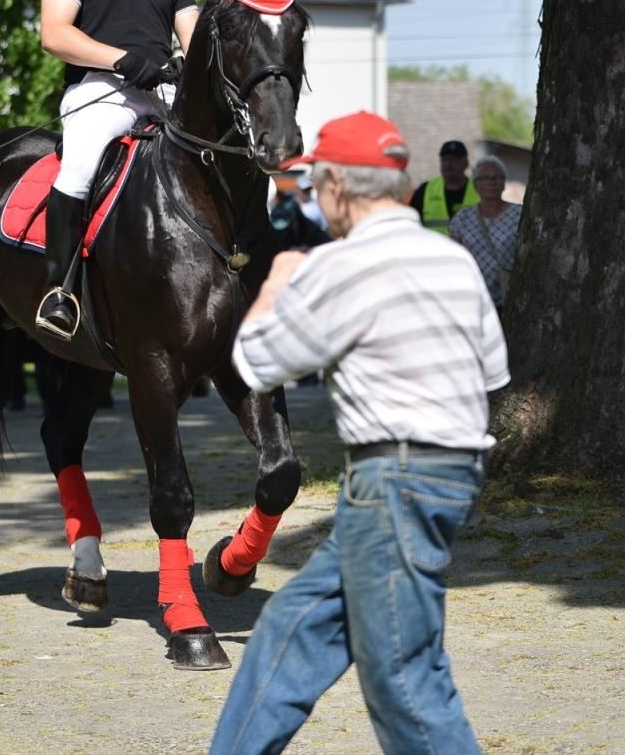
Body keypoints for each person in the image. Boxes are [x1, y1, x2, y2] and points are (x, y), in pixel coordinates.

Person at [211, 111, 507, 755]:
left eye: (316, 187)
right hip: (447, 473)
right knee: (288, 631)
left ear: (339, 187)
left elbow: (256, 363)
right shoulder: (454, 260)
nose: (317, 200)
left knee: (405, 680)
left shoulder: (339, 266)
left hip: (391, 479)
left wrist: (274, 286)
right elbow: (492, 373)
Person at [35, 0, 199, 337]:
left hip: (162, 93)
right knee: (82, 163)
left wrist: (184, 65)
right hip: (99, 91)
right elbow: (55, 34)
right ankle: (59, 290)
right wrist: (122, 59)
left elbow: (192, 38)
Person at [448, 154, 521, 311]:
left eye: (497, 178)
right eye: (485, 178)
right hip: (473, 299)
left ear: (504, 182)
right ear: (476, 185)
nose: (491, 183)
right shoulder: (463, 218)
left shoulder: (519, 215)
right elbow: (452, 259)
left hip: (509, 299)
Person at [409, 138, 478, 234]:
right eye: (444, 160)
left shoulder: (480, 189)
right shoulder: (425, 190)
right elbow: (410, 224)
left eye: (454, 160)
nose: (448, 164)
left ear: (466, 163)